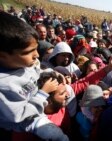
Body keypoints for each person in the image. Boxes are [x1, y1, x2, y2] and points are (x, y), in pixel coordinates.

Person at [0, 12, 68, 140]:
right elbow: (20, 116)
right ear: (3, 55)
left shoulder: (22, 63)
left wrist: (50, 72)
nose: (36, 55)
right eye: (28, 52)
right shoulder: (4, 86)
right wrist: (43, 93)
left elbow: (35, 70)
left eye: (36, 49)